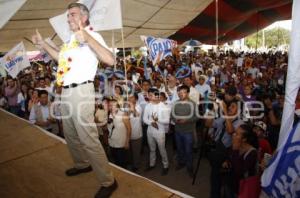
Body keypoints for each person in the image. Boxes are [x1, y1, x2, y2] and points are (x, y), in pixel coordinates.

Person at [32, 3, 117, 197]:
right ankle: (82, 164)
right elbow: (60, 58)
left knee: (88, 138)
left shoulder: (92, 35)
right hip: (66, 91)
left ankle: (108, 181)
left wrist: (87, 38)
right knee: (69, 133)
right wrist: (43, 45)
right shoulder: (71, 39)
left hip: (82, 91)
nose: (68, 18)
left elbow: (110, 59)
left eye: (72, 14)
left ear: (84, 18)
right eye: (68, 15)